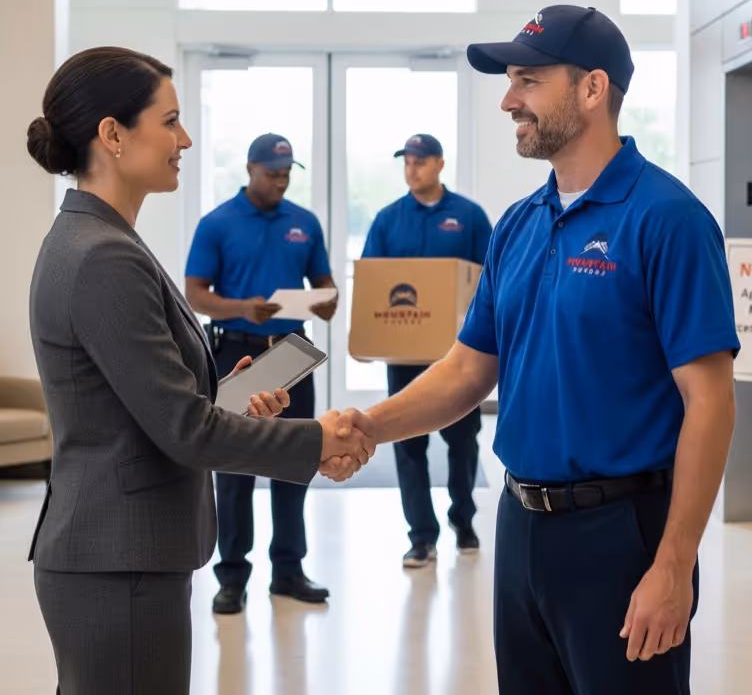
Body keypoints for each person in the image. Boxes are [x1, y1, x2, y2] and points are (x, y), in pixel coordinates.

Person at [322, 5, 740, 694]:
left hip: (621, 534)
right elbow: (464, 370)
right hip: (519, 527)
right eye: (511, 81)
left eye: (528, 81)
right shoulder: (518, 224)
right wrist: (367, 426)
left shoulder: (668, 221)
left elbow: (711, 402)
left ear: (592, 89)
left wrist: (673, 564)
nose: (509, 100)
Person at [25, 47, 372, 695]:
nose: (185, 139)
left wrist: (225, 400)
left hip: (124, 553)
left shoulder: (102, 239)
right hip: (117, 561)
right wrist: (320, 439)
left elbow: (145, 405)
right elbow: (183, 430)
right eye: (171, 120)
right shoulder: (102, 256)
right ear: (113, 135)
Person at [184, 133, 338, 614]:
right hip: (237, 354)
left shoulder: (304, 223)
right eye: (273, 172)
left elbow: (327, 292)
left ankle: (288, 572)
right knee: (233, 470)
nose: (281, 180)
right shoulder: (217, 224)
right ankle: (231, 576)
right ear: (250, 168)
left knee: (297, 462)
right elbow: (195, 293)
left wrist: (323, 301)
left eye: (288, 172)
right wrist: (241, 308)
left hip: (292, 356)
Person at [362, 133, 493, 568]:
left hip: (458, 357)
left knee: (463, 443)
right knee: (407, 446)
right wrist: (366, 339)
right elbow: (372, 288)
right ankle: (421, 536)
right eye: (407, 162)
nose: (412, 169)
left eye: (420, 161)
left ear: (439, 164)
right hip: (404, 356)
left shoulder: (469, 217)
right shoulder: (387, 220)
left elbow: (491, 279)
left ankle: (463, 519)